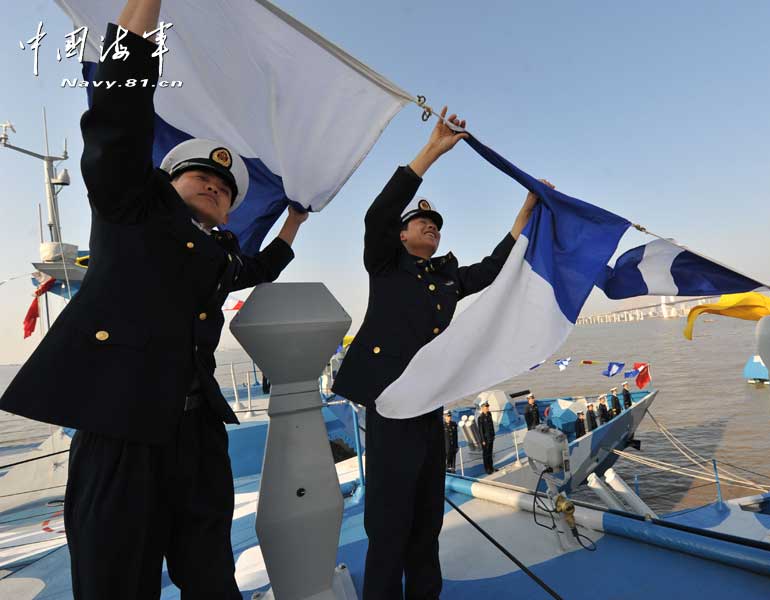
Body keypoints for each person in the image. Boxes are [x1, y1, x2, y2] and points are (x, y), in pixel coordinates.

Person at [0, 2, 307, 597]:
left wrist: (292, 222)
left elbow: (257, 265)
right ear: (166, 182)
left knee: (211, 575)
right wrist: (143, 15)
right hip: (121, 430)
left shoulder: (217, 255)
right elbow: (119, 116)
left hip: (195, 437)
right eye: (203, 179)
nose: (216, 187)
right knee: (117, 582)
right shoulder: (129, 210)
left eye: (224, 190)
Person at [331, 106, 541, 599]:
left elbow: (491, 268)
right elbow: (377, 215)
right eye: (420, 222)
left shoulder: (445, 277)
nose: (431, 227)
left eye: (436, 224)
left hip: (429, 410)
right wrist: (430, 153)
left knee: (426, 526)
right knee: (388, 529)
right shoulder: (384, 264)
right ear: (402, 235)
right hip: (390, 406)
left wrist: (526, 213)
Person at [477, 402, 496, 474]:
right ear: (482, 408)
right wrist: (483, 440)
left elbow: (492, 426)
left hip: (490, 437)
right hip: (485, 439)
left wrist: (493, 435)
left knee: (490, 453)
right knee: (486, 454)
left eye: (488, 406)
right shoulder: (480, 418)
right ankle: (487, 469)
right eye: (486, 407)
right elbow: (481, 430)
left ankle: (491, 467)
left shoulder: (489, 414)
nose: (487, 408)